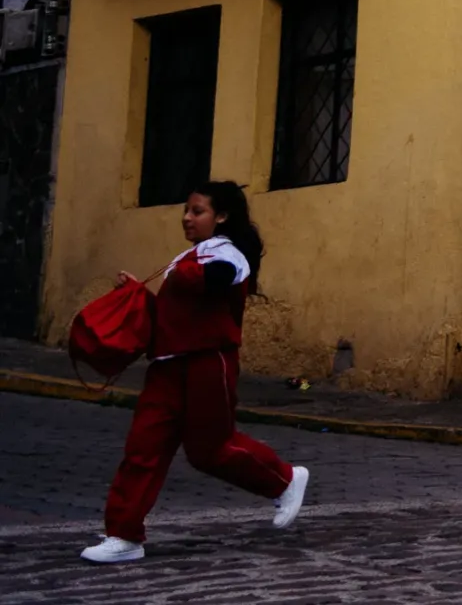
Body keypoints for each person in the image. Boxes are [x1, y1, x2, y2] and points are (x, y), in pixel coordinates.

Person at [83, 181, 310, 564]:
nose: (187, 218)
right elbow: (175, 312)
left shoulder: (229, 255)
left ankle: (285, 479)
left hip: (208, 362)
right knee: (143, 449)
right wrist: (140, 294)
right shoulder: (190, 256)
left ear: (221, 216)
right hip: (167, 365)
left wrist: (180, 274)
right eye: (186, 211)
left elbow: (215, 280)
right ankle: (123, 535)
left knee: (211, 450)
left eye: (197, 211)